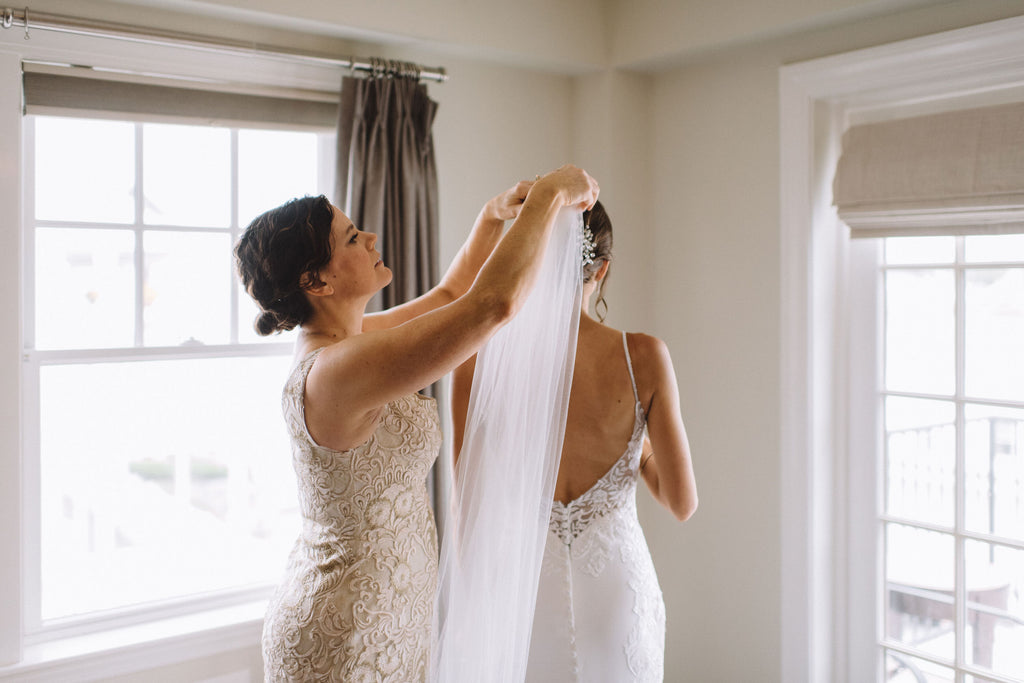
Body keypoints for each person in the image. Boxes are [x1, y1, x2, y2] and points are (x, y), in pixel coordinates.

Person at [234, 165, 599, 683]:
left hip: (393, 617)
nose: (372, 238)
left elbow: (450, 298)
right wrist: (550, 195)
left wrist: (492, 216)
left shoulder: (349, 344)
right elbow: (492, 306)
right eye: (353, 238)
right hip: (346, 636)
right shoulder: (336, 371)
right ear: (317, 280)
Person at [451, 200, 698, 683]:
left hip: (521, 596)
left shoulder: (477, 360)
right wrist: (634, 443)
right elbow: (681, 501)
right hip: (617, 595)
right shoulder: (644, 356)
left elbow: (467, 510)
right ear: (601, 268)